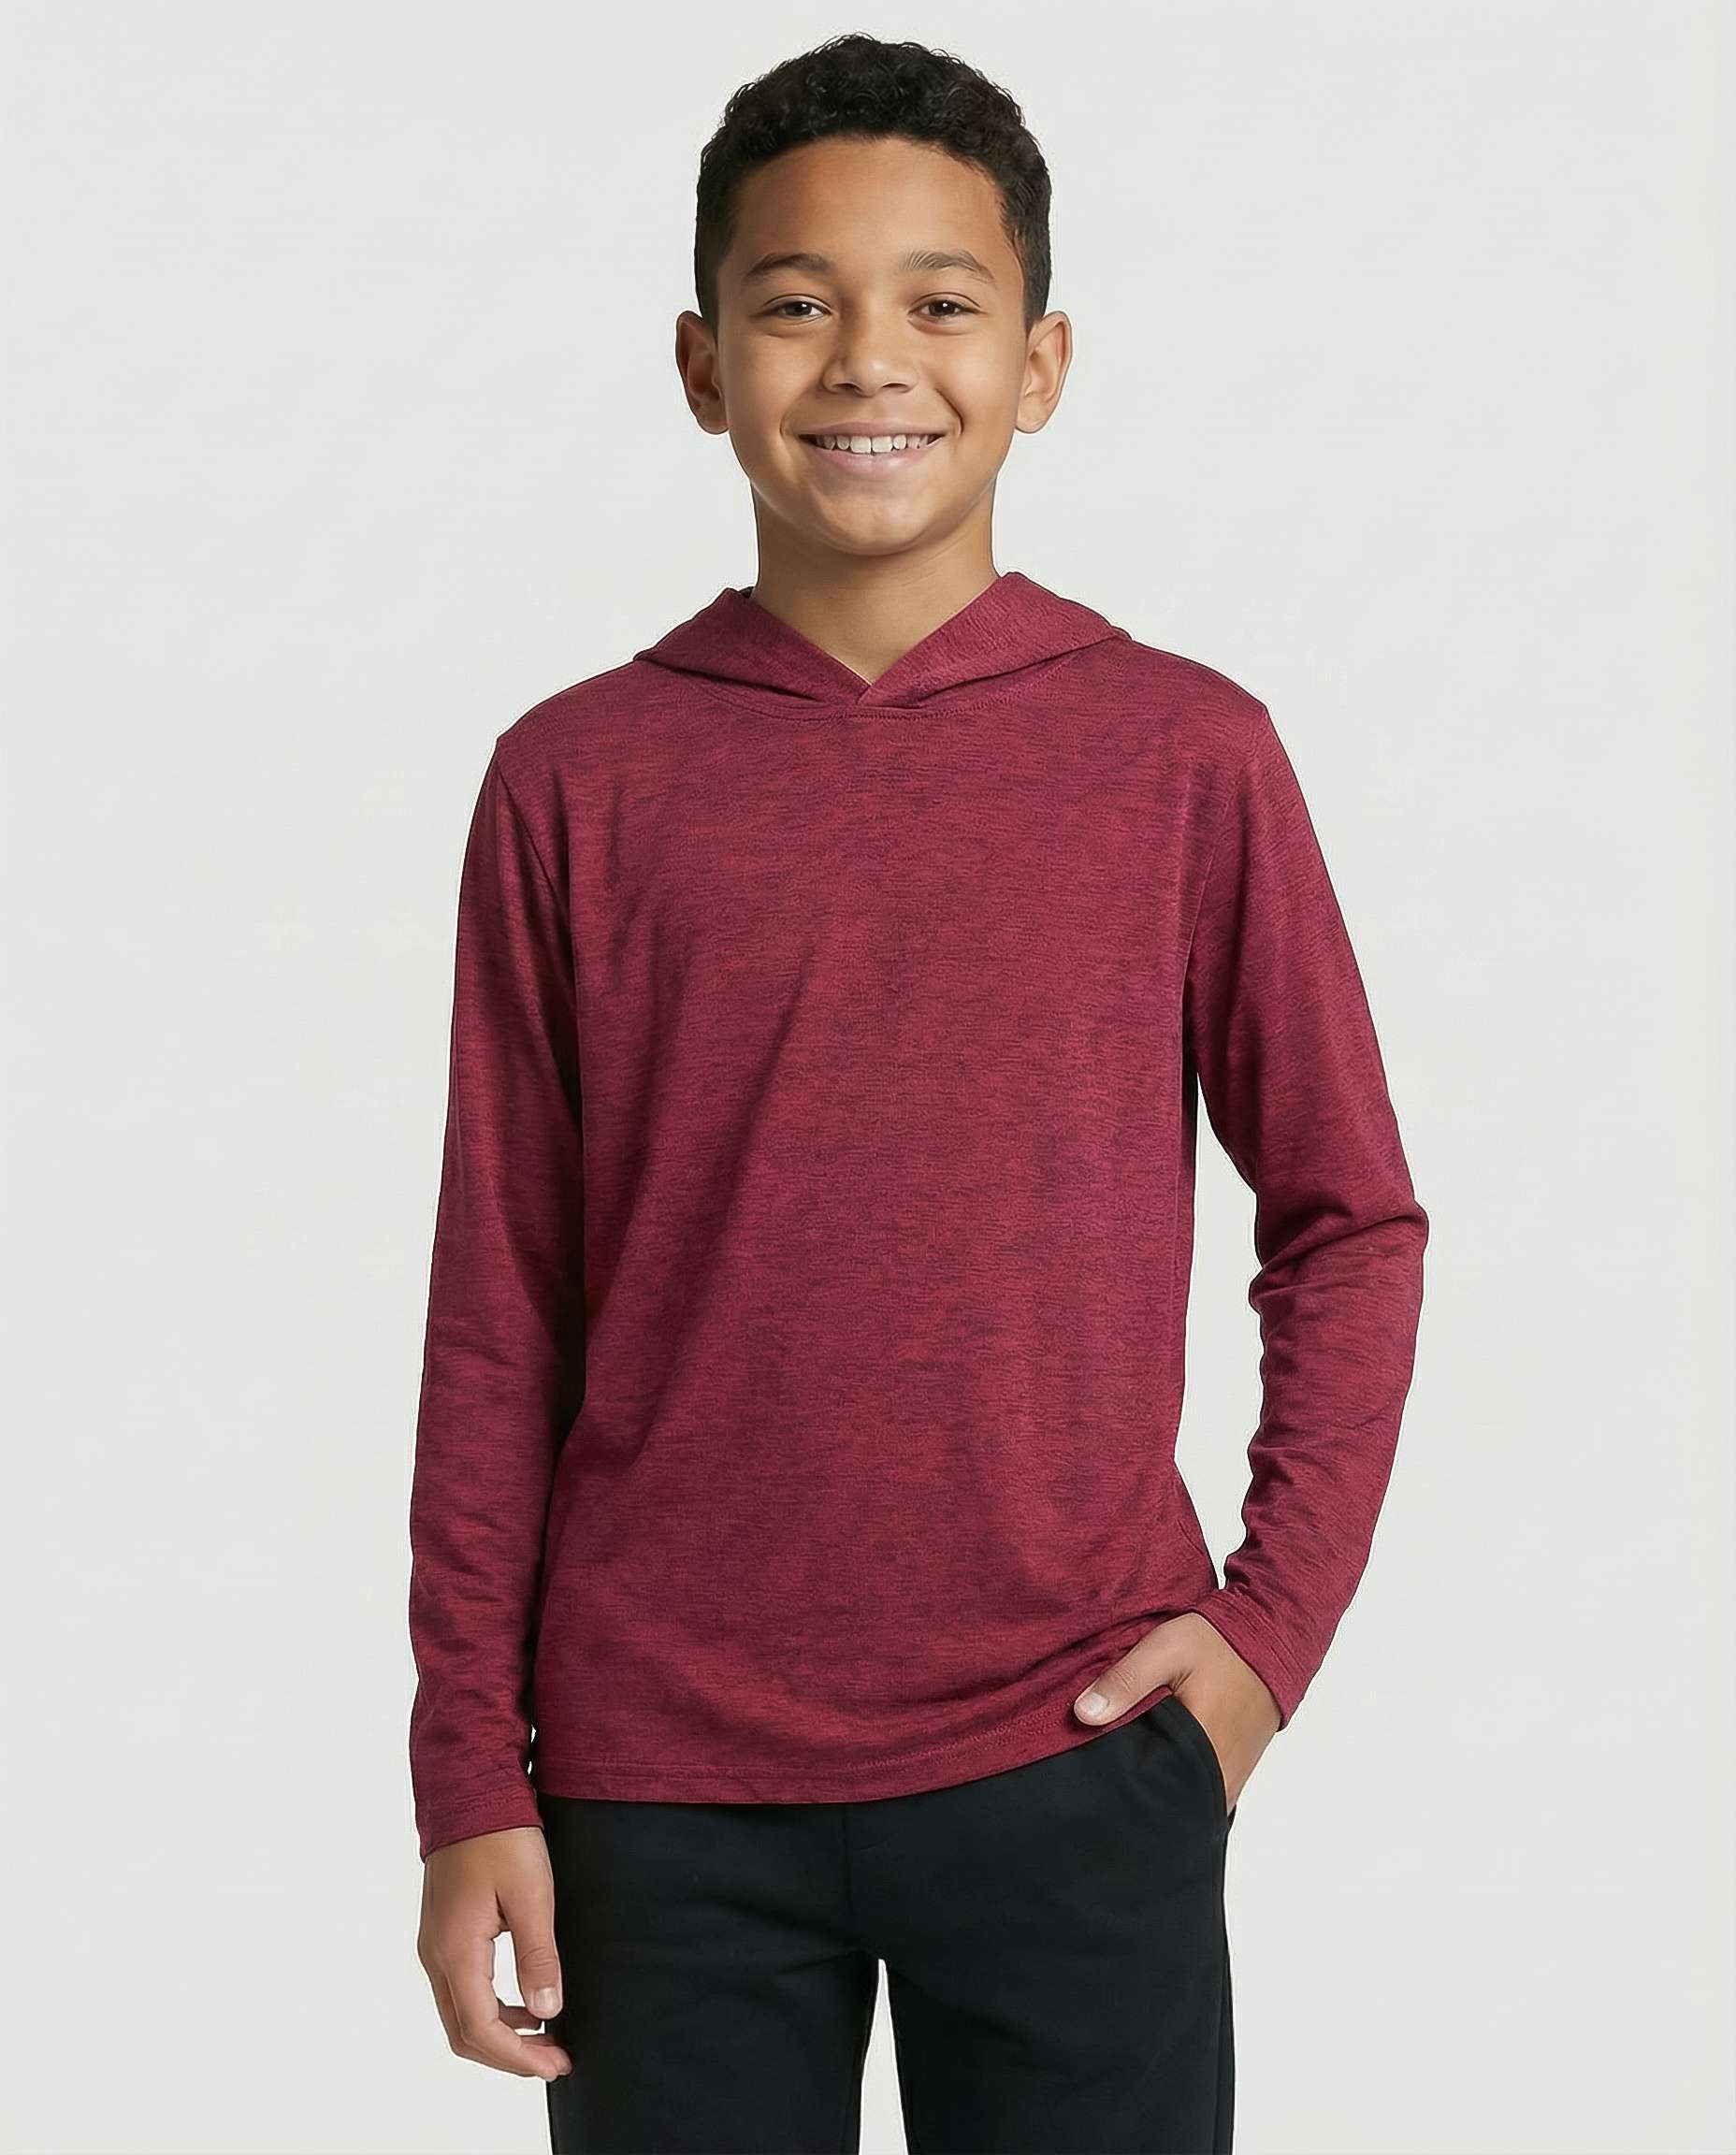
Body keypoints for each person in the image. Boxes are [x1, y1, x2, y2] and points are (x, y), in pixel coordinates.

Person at [408, 32, 1429, 2154]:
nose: (869, 357)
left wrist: (1265, 1638)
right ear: (701, 365)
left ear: (1039, 364)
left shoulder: (1183, 754)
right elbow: (501, 1311)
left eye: (940, 302)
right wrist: (466, 1774)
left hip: (1079, 1749)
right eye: (797, 301)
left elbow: (1348, 1217)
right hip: (657, 1795)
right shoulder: (575, 781)